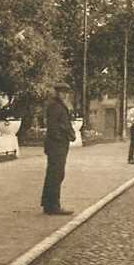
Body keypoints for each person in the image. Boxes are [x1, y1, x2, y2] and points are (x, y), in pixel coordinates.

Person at [41, 82, 77, 215]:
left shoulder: (58, 106)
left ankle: (48, 204)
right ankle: (53, 205)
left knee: (55, 174)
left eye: (66, 93)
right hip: (57, 145)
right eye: (62, 92)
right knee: (55, 175)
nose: (65, 95)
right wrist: (63, 137)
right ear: (57, 93)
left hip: (58, 145)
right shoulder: (56, 107)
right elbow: (54, 127)